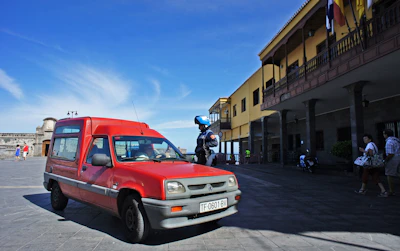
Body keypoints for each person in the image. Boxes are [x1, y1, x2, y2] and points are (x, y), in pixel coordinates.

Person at [383, 129, 400, 196]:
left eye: (384, 134)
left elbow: (390, 154)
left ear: (386, 135)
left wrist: (385, 160)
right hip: (398, 157)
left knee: (389, 174)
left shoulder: (389, 142)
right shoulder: (396, 140)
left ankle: (391, 190)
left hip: (393, 159)